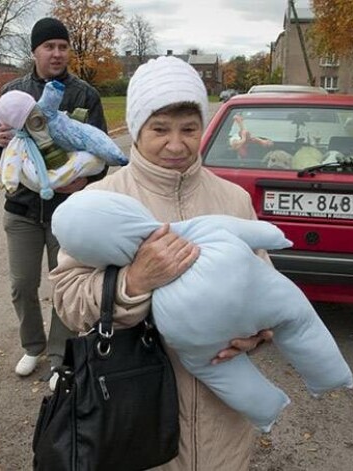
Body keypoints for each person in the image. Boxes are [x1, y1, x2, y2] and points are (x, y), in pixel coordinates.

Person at [50, 56, 273, 470]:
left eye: (189, 129)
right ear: (136, 128)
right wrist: (134, 281)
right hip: (136, 420)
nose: (176, 144)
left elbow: (267, 287)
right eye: (160, 129)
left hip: (223, 424)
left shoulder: (234, 200)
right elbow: (67, 300)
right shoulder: (101, 203)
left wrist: (260, 333)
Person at [0, 17, 108, 389]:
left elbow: (99, 149)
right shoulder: (14, 90)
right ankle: (32, 346)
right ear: (34, 51)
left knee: (65, 287)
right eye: (49, 46)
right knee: (22, 285)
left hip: (67, 212)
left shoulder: (85, 95)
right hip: (21, 209)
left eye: (62, 46)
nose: (56, 53)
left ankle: (59, 357)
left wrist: (89, 179)